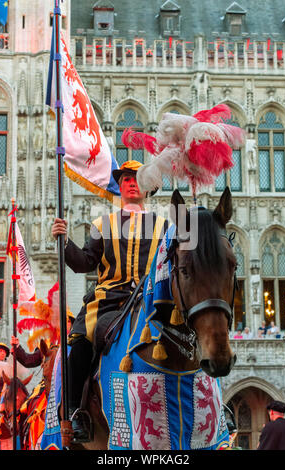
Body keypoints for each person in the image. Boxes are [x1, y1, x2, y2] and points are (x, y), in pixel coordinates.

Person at [52, 160, 168, 442]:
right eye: (125, 178)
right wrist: (64, 242)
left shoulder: (165, 226)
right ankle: (73, 413)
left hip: (149, 298)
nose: (130, 182)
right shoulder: (101, 225)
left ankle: (212, 408)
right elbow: (84, 263)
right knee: (79, 342)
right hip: (108, 300)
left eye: (136, 178)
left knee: (191, 334)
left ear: (148, 188)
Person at [10, 313, 75, 368]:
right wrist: (17, 347)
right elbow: (28, 361)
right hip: (50, 381)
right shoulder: (47, 343)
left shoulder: (75, 342)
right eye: (62, 320)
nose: (65, 323)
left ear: (72, 324)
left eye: (68, 321)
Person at [0, 343, 10, 409]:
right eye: (0, 351)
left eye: (4, 352)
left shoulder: (9, 369)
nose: (3, 353)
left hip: (2, 404)